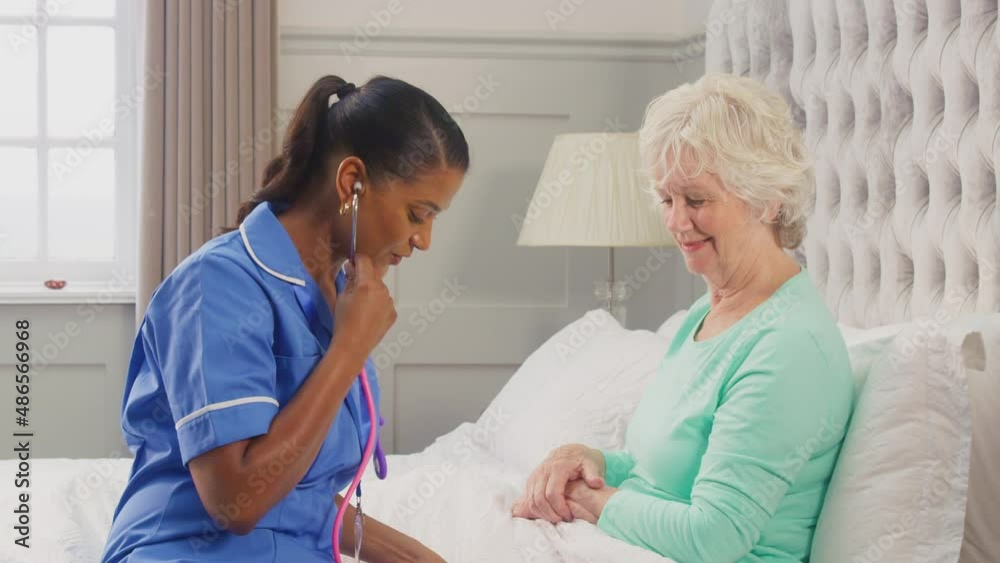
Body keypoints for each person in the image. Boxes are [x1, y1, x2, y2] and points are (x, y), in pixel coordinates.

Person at [102, 74, 468, 562]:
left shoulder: (338, 298)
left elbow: (297, 494)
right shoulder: (215, 284)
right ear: (352, 182)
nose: (424, 240)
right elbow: (238, 502)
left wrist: (416, 556)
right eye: (418, 214)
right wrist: (348, 350)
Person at [512, 73, 855, 563]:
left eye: (696, 200)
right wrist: (591, 462)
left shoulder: (789, 347)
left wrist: (586, 499)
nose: (675, 222)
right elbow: (664, 476)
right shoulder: (707, 312)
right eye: (666, 199)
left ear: (768, 199)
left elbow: (713, 537)